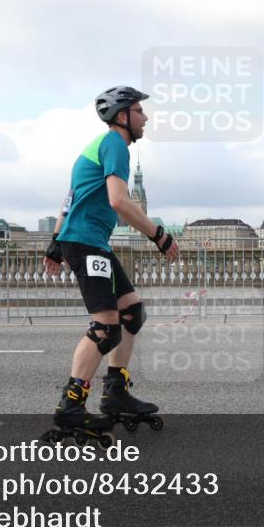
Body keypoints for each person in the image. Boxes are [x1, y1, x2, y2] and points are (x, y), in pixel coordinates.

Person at [43, 86, 179, 431]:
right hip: (87, 243)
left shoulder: (94, 147)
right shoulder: (116, 144)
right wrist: (159, 235)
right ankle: (71, 407)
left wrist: (55, 243)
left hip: (87, 242)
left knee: (132, 313)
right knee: (106, 328)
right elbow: (119, 201)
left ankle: (116, 392)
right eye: (139, 111)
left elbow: (69, 198)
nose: (145, 117)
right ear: (122, 116)